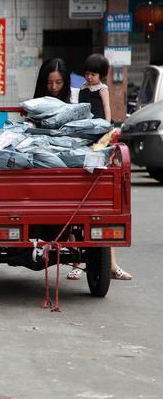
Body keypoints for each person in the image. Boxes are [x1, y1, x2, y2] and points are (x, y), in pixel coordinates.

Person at [33, 57, 132, 281]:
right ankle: (77, 263)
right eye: (50, 83)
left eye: (58, 83)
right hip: (52, 166)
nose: (54, 87)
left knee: (99, 214)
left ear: (66, 82)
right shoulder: (37, 103)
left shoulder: (78, 96)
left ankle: (111, 265)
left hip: (79, 160)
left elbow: (96, 121)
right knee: (69, 213)